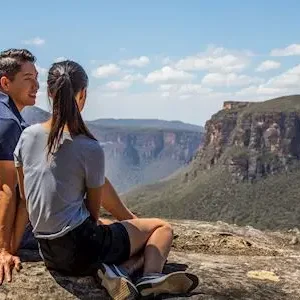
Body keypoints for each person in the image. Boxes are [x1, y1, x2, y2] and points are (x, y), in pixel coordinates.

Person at [12, 60, 199, 299]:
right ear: (84, 95)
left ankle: (118, 271)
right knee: (162, 229)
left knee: (111, 226)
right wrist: (129, 223)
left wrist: (9, 248)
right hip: (83, 250)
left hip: (50, 253)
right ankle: (147, 275)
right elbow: (92, 214)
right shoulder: (89, 147)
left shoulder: (27, 136)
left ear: (49, 92)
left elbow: (24, 197)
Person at [0, 48, 142, 286]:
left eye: (37, 78)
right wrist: (5, 250)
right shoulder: (9, 123)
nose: (35, 85)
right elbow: (5, 189)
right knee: (112, 229)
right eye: (28, 79)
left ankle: (127, 220)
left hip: (39, 225)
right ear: (5, 83)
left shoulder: (18, 124)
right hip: (37, 234)